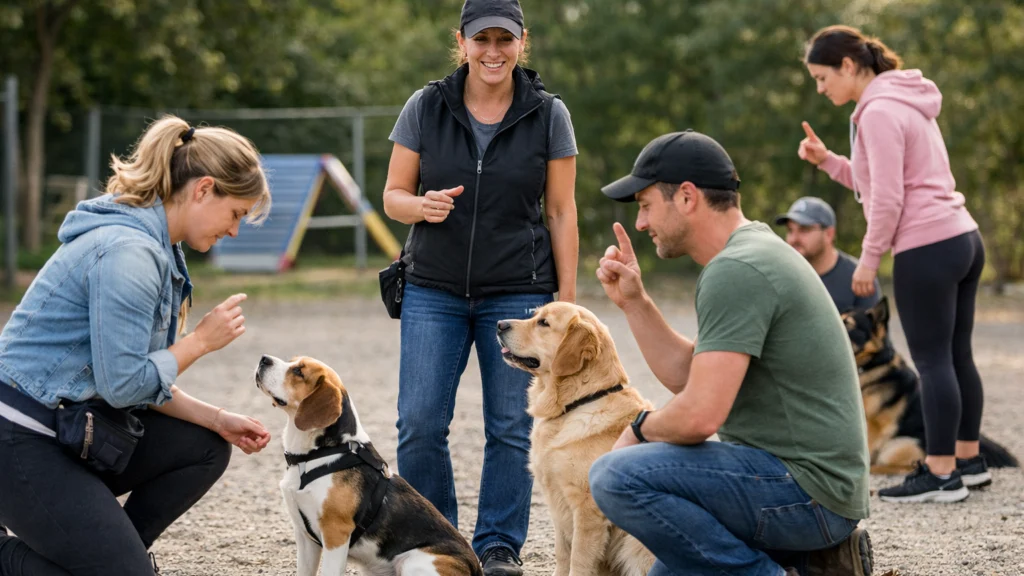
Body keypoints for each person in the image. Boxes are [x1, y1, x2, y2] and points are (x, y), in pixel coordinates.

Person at [588, 130, 872, 576]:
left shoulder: (738, 269)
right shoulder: (750, 254)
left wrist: (638, 430)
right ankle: (811, 564)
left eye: (645, 206)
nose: (641, 223)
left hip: (808, 494)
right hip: (806, 488)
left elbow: (701, 416)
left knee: (615, 476)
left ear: (686, 197)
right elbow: (689, 375)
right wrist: (634, 302)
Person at [0, 115, 273, 575]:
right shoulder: (128, 253)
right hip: (19, 436)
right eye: (236, 214)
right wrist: (199, 342)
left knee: (206, 444)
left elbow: (137, 375)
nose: (234, 231)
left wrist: (217, 418)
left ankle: (109, 555)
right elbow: (125, 385)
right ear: (204, 189)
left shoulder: (157, 246)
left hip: (64, 425)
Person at [381, 0, 579, 572]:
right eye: (481, 39)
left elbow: (562, 212)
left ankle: (498, 547)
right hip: (433, 289)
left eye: (505, 39)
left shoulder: (549, 114)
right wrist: (422, 205)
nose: (493, 51)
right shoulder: (425, 105)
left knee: (512, 426)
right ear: (461, 42)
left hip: (520, 288)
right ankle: (435, 541)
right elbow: (393, 194)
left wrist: (563, 303)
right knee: (419, 422)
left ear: (522, 43)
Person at [799, 25, 986, 503]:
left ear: (847, 65)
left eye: (823, 78)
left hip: (926, 245)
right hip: (961, 235)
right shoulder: (903, 102)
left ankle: (941, 475)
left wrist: (868, 260)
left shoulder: (878, 113)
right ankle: (969, 460)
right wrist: (827, 161)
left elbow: (887, 199)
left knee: (933, 361)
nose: (821, 90)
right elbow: (871, 181)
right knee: (956, 355)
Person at [774, 196, 881, 312]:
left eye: (804, 230)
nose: (793, 239)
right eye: (790, 230)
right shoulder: (780, 276)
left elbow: (875, 328)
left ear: (829, 234)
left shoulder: (858, 278)